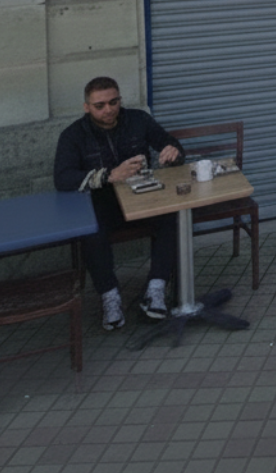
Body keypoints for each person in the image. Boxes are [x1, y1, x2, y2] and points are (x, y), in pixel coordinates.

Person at [54, 76, 183, 330]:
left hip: (142, 197)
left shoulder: (138, 119)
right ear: (87, 107)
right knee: (91, 232)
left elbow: (170, 143)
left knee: (170, 216)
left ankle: (156, 288)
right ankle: (109, 296)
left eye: (113, 102)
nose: (108, 109)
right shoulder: (73, 135)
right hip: (102, 204)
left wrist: (173, 152)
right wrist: (109, 175)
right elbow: (62, 178)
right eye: (100, 105)